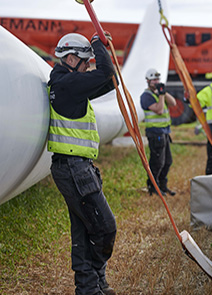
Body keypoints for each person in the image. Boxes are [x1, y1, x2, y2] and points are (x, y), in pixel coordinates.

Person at [47, 32, 117, 295]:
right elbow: (105, 73)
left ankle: (89, 288)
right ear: (72, 58)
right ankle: (94, 280)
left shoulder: (68, 82)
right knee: (105, 228)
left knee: (83, 231)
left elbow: (110, 80)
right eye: (85, 60)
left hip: (76, 168)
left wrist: (101, 49)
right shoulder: (67, 84)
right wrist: (98, 42)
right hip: (73, 169)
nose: (88, 65)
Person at [140, 69, 177, 196]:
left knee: (167, 161)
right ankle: (152, 186)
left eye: (158, 80)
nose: (156, 82)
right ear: (148, 81)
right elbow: (159, 110)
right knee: (157, 162)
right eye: (154, 80)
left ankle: (162, 185)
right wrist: (161, 95)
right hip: (155, 133)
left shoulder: (159, 94)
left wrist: (163, 93)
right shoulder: (146, 96)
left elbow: (173, 103)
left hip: (164, 132)